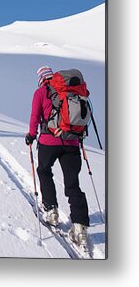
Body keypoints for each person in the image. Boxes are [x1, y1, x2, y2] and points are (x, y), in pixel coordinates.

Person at [25, 66, 90, 247]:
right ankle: (80, 227)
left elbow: (35, 117)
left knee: (44, 171)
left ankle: (51, 210)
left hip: (49, 142)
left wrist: (31, 135)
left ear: (41, 79)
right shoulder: (72, 91)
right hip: (72, 143)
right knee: (72, 183)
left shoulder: (40, 92)